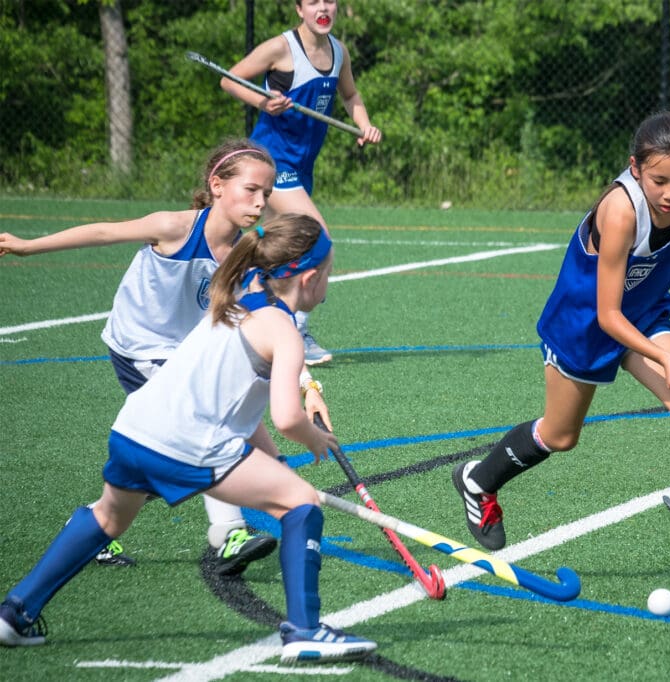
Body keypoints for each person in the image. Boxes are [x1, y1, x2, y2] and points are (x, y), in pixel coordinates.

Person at [0, 214, 377, 662]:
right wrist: (312, 437)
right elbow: (285, 417)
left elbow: (248, 407)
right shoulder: (284, 331)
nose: (329, 281)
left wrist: (278, 451)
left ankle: (14, 612)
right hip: (188, 442)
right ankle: (305, 631)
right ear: (310, 278)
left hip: (134, 428)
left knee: (107, 518)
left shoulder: (239, 293)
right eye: (329, 272)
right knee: (301, 502)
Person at [0, 139, 331, 576]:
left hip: (186, 354)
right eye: (251, 190)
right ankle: (228, 533)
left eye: (267, 194)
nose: (260, 202)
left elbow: (275, 325)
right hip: (139, 347)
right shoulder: (175, 227)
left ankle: (98, 521)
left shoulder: (248, 257)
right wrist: (27, 246)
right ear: (217, 185)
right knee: (211, 431)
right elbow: (102, 232)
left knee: (187, 454)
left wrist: (308, 386)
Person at [452, 112, 670, 587]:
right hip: (586, 322)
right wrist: (665, 357)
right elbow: (608, 315)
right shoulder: (621, 211)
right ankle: (478, 480)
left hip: (645, 311)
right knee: (560, 435)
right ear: (635, 168)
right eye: (659, 181)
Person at [220, 0, 383, 366]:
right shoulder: (281, 48)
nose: (323, 8)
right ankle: (295, 330)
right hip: (272, 163)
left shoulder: (339, 52)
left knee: (276, 249)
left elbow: (350, 95)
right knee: (317, 239)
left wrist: (364, 125)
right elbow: (229, 79)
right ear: (299, 9)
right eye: (313, 2)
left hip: (302, 168)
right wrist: (262, 101)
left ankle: (246, 309)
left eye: (329, 1)